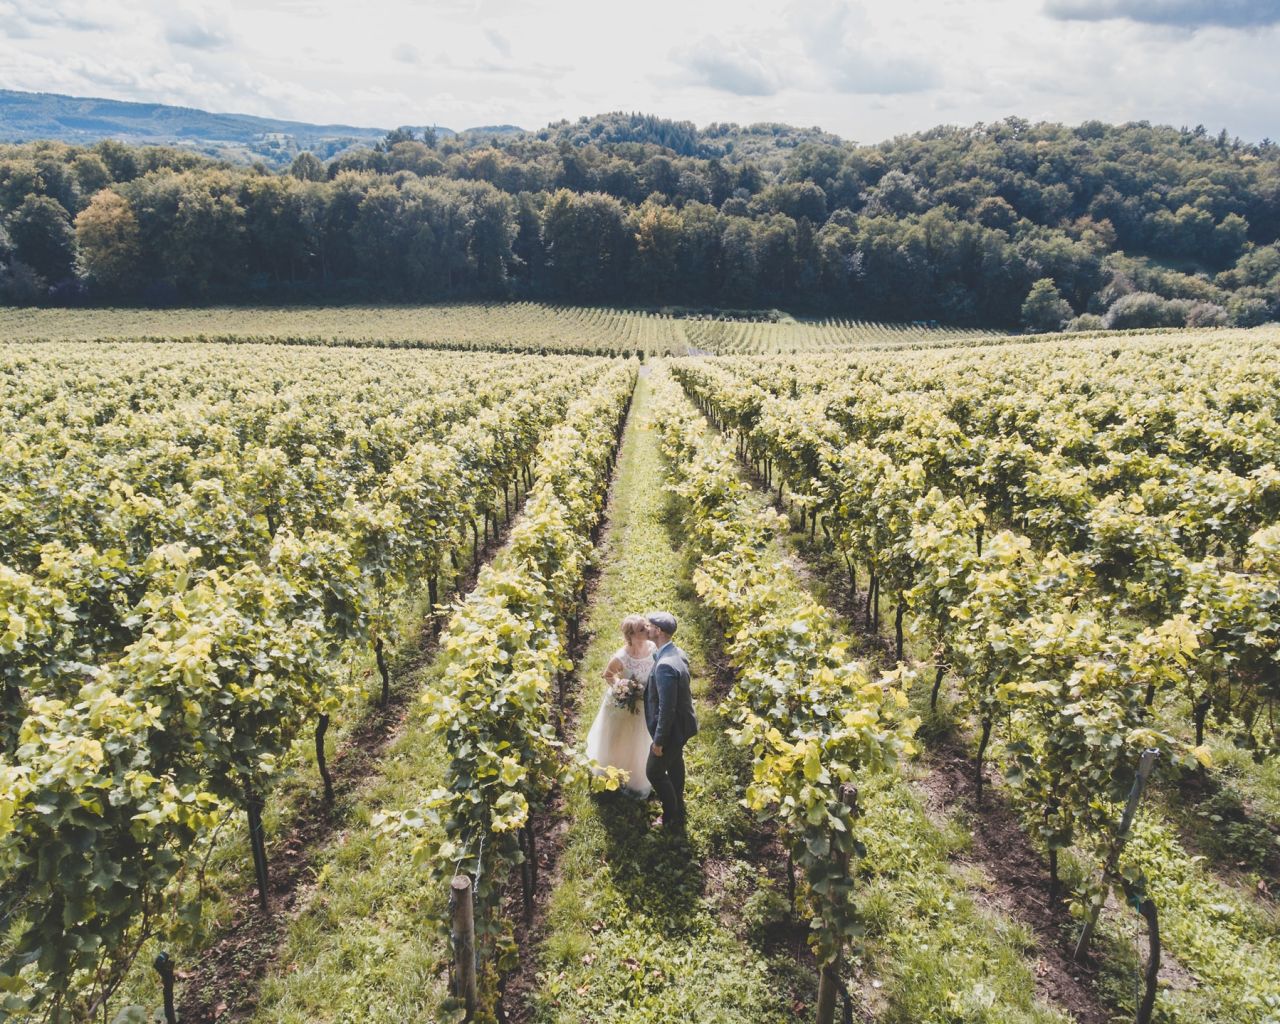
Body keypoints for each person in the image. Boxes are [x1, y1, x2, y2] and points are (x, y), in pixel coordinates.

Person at [585, 614, 655, 798]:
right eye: (642, 629)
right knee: (621, 738)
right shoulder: (622, 657)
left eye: (647, 625)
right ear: (631, 635)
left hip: (644, 703)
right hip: (625, 704)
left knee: (640, 740)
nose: (648, 629)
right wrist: (621, 687)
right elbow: (608, 675)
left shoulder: (653, 647)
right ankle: (614, 772)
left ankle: (637, 776)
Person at [643, 610, 698, 831]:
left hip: (672, 729)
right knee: (675, 761)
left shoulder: (665, 665)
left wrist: (658, 741)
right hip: (683, 725)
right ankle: (678, 800)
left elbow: (667, 708)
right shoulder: (676, 652)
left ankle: (670, 816)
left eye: (649, 626)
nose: (646, 628)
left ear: (658, 631)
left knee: (654, 771)